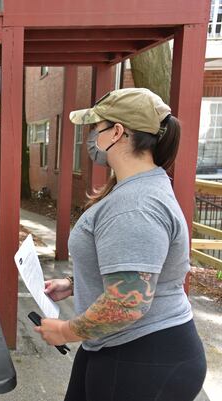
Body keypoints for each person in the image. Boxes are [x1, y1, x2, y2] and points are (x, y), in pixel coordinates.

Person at [35, 88, 207, 401]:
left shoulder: (135, 205)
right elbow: (136, 266)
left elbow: (127, 302)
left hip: (143, 358)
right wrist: (76, 283)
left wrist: (64, 331)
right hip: (117, 347)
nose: (91, 137)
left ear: (117, 132)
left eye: (96, 127)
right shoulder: (137, 189)